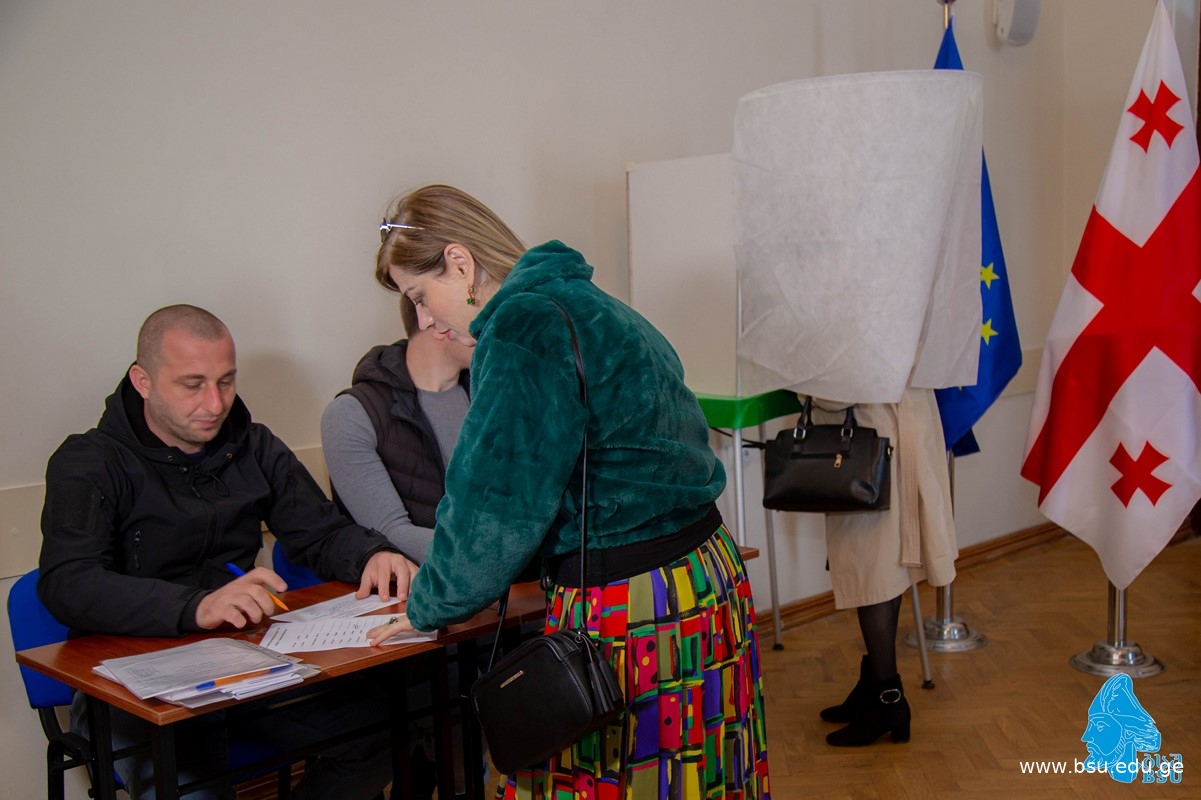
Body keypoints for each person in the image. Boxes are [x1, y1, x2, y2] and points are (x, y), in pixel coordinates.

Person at [365, 184, 771, 800]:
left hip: (634, 603)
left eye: (419, 296)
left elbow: (494, 509)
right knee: (700, 776)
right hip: (705, 576)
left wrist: (429, 604)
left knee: (614, 780)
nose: (422, 320)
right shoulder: (586, 303)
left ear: (460, 263)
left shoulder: (522, 329)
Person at [38, 304, 418, 800]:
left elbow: (321, 533)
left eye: (226, 381)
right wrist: (195, 606)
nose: (215, 403)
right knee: (195, 790)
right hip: (131, 683)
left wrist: (372, 554)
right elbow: (68, 582)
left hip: (244, 663)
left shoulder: (254, 446)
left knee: (384, 732)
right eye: (192, 385)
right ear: (142, 381)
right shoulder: (87, 461)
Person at [811, 389, 958, 747]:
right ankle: (875, 683)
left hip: (869, 439)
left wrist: (801, 383)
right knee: (886, 569)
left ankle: (887, 699)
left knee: (872, 573)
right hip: (902, 428)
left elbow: (836, 391)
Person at [321, 295, 472, 564]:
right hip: (423, 584)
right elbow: (389, 533)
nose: (497, 329)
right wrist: (499, 556)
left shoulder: (492, 394)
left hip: (517, 583)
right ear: (436, 323)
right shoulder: (352, 413)